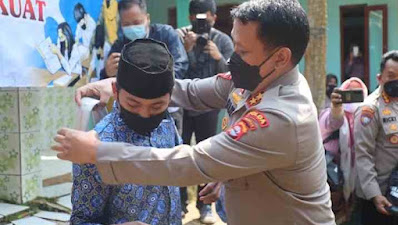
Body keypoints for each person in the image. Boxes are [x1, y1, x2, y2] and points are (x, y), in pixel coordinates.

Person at [52, 1, 336, 224]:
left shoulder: (283, 117)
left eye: (242, 51)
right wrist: (121, 82)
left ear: (281, 57)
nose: (230, 58)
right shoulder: (258, 78)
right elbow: (191, 91)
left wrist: (99, 153)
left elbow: (192, 163)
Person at [70, 39, 182, 225]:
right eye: (133, 104)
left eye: (157, 106)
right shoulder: (96, 146)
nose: (145, 115)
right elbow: (81, 220)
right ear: (115, 90)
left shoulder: (166, 121)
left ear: (170, 97)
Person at [175, 0, 234, 222]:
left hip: (209, 109)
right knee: (179, 153)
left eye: (207, 15)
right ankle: (180, 205)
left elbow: (234, 75)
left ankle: (205, 206)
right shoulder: (179, 36)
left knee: (206, 157)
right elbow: (175, 72)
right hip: (182, 107)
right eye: (197, 15)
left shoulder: (222, 40)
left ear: (214, 17)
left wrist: (218, 57)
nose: (202, 19)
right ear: (190, 17)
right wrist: (186, 50)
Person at [354, 50, 398, 225]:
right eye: (392, 76)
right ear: (379, 78)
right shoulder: (370, 109)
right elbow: (363, 155)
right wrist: (375, 195)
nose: (397, 81)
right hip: (380, 198)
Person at [100, 0, 188, 80]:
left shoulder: (165, 34)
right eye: (126, 24)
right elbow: (106, 81)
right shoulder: (119, 46)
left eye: (136, 23)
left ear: (148, 19)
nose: (132, 28)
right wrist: (107, 73)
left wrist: (161, 84)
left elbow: (180, 65)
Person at [319, 77, 368, 220]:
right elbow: (333, 122)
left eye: (356, 92)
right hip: (335, 179)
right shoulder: (331, 113)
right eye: (348, 91)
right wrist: (336, 107)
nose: (351, 95)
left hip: (361, 181)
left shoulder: (368, 116)